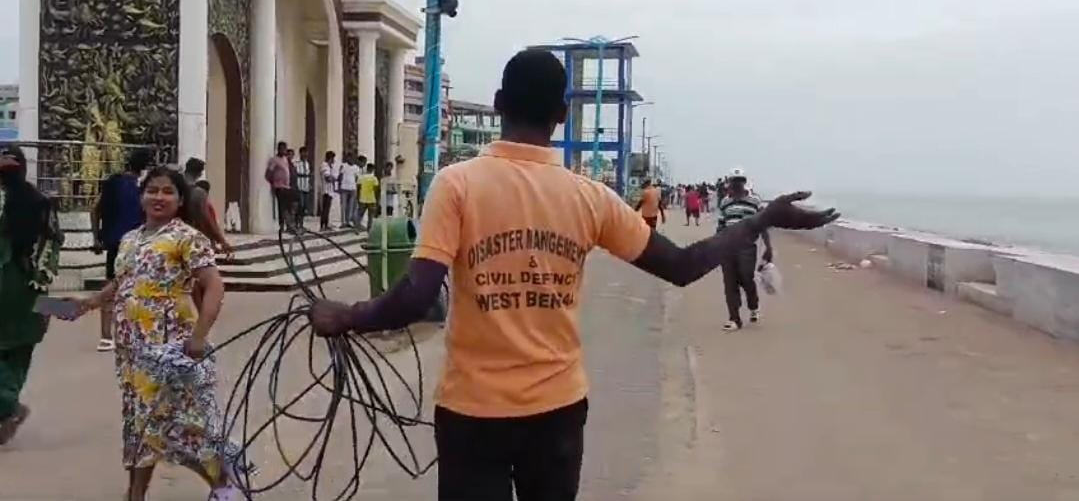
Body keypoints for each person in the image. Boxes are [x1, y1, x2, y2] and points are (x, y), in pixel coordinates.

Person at [308, 49, 837, 501]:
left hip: (473, 414)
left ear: (497, 104)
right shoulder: (589, 198)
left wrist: (347, 315)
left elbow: (414, 295)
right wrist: (763, 218)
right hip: (556, 412)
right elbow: (681, 267)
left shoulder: (456, 185)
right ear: (562, 114)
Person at [70, 167, 239, 501]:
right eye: (152, 190)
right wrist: (86, 303)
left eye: (167, 192)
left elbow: (214, 285)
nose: (158, 197)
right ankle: (135, 494)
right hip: (133, 352)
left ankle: (227, 488)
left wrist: (200, 337)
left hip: (172, 350)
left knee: (188, 427)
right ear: (141, 195)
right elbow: (123, 282)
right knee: (139, 424)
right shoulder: (131, 239)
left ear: (179, 201)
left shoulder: (187, 238)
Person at [0, 146, 63, 445]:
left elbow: (51, 244)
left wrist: (41, 279)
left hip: (27, 293)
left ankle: (8, 409)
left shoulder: (40, 204)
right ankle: (9, 409)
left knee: (20, 352)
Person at [92, 149, 153, 352]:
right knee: (136, 289)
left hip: (113, 242)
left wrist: (96, 238)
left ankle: (106, 337)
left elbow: (96, 210)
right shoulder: (144, 189)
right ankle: (133, 333)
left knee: (110, 286)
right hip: (136, 244)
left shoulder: (113, 183)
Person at [717, 167, 773, 331]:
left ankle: (753, 305)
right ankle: (734, 318)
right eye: (733, 181)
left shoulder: (754, 201)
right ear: (729, 183)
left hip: (747, 246)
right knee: (729, 283)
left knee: (746, 277)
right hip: (727, 247)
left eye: (739, 181)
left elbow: (763, 225)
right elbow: (721, 226)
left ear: (744, 182)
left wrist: (768, 247)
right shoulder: (725, 202)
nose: (736, 185)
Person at [183, 158, 232, 256]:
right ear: (200, 174)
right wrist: (221, 241)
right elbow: (207, 219)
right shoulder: (199, 193)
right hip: (195, 238)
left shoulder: (175, 189)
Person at [266, 141, 292, 231]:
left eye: (285, 149)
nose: (284, 151)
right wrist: (273, 182)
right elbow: (269, 172)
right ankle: (281, 225)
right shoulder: (274, 160)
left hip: (287, 186)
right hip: (279, 186)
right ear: (279, 149)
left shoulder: (285, 159)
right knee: (282, 206)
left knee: (288, 206)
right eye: (283, 149)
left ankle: (289, 224)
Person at [337, 153, 361, 229]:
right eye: (349, 158)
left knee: (350, 206)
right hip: (344, 187)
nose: (350, 159)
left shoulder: (356, 167)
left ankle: (348, 221)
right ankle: (343, 222)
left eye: (352, 158)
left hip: (352, 188)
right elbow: (340, 177)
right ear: (347, 158)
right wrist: (339, 187)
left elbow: (357, 178)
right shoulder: (343, 166)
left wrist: (355, 186)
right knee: (343, 205)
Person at [357, 163, 379, 231]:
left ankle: (357, 228)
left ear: (367, 169)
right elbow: (376, 190)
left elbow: (358, 188)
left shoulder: (361, 177)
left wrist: (358, 197)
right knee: (370, 216)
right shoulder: (374, 179)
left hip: (362, 199)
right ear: (372, 169)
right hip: (371, 199)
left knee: (360, 215)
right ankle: (369, 229)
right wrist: (377, 199)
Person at [320, 151, 338, 231]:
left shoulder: (331, 167)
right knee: (325, 209)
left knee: (327, 209)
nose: (334, 160)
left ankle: (326, 224)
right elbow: (328, 178)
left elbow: (333, 177)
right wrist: (333, 178)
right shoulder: (324, 165)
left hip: (330, 190)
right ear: (330, 158)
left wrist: (333, 178)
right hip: (326, 190)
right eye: (333, 158)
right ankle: (323, 225)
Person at [295, 146, 313, 221]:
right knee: (300, 205)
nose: (305, 154)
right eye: (304, 152)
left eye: (306, 153)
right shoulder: (296, 163)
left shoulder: (307, 163)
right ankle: (297, 222)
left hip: (306, 187)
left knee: (305, 206)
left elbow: (309, 174)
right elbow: (296, 174)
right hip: (299, 187)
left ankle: (301, 222)